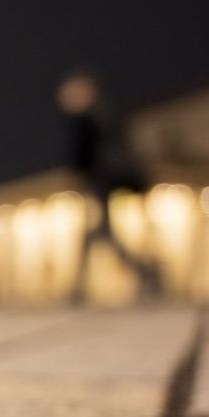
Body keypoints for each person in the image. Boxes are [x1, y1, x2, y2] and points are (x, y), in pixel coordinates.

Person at [57, 71, 160, 300]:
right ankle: (79, 287)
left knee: (99, 233)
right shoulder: (102, 114)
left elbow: (86, 156)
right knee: (96, 233)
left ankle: (144, 272)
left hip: (103, 181)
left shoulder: (92, 118)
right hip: (102, 181)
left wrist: (79, 177)